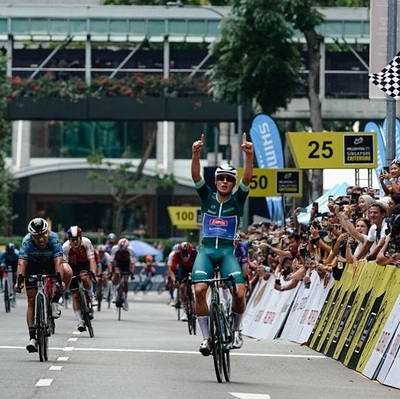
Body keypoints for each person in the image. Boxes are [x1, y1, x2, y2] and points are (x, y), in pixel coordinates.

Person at [191, 132, 254, 356]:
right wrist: (195, 154)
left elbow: (247, 178)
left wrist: (249, 156)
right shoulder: (206, 197)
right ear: (216, 181)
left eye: (229, 179)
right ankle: (207, 338)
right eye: (221, 178)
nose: (225, 182)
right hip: (206, 252)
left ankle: (236, 331)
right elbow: (196, 175)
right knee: (199, 290)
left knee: (239, 291)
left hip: (227, 253)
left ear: (233, 183)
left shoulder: (238, 200)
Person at [15, 218, 73, 353]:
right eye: (37, 237)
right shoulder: (26, 241)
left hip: (50, 263)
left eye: (43, 236)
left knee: (67, 271)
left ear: (47, 232)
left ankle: (55, 300)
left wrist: (59, 281)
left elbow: (58, 262)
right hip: (33, 265)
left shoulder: (54, 239)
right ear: (32, 236)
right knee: (31, 300)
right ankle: (32, 338)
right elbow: (22, 264)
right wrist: (19, 282)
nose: (41, 240)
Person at [62, 225, 98, 332]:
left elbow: (92, 260)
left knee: (84, 277)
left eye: (76, 239)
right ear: (69, 240)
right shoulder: (65, 247)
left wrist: (93, 273)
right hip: (71, 267)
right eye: (72, 240)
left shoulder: (86, 242)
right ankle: (80, 322)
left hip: (84, 264)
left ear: (80, 238)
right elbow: (64, 265)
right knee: (75, 295)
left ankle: (91, 296)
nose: (75, 242)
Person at [168, 242, 198, 322]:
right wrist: (174, 280)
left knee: (198, 286)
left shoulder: (195, 254)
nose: (185, 257)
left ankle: (195, 305)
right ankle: (185, 310)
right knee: (181, 287)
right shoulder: (176, 255)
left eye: (187, 254)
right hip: (183, 269)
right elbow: (171, 270)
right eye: (182, 254)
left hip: (194, 268)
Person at [109, 238, 136, 310]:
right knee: (117, 273)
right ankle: (113, 294)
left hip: (126, 263)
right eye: (120, 248)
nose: (122, 250)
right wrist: (111, 271)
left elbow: (132, 263)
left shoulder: (130, 250)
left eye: (123, 249)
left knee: (126, 280)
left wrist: (132, 273)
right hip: (117, 261)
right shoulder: (115, 248)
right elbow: (111, 261)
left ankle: (126, 298)